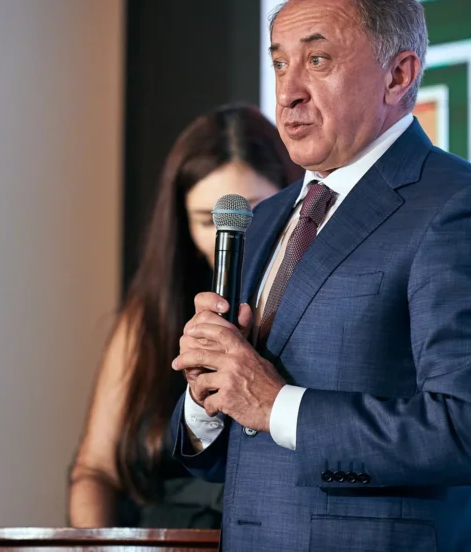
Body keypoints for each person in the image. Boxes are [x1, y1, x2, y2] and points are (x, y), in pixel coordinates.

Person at [171, 0, 471, 552]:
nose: (288, 92)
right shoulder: (264, 220)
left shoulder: (463, 209)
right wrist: (207, 394)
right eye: (280, 63)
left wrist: (276, 404)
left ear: (399, 75)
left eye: (317, 60)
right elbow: (238, 452)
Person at [68, 105, 302, 529]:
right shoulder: (150, 315)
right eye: (206, 221)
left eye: (252, 214)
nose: (227, 238)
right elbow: (96, 471)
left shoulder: (310, 310)